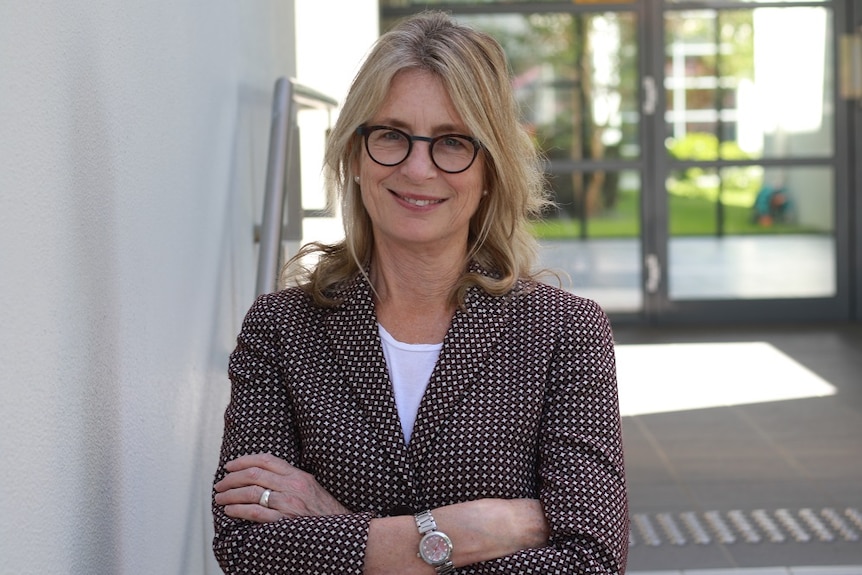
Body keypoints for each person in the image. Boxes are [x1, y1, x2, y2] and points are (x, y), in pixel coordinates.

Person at [212, 11, 628, 574]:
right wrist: (477, 530)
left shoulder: (564, 332)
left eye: (453, 142)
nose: (417, 167)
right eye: (391, 135)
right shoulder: (281, 328)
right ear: (355, 156)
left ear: (490, 171)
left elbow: (590, 560)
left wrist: (336, 522)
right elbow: (245, 551)